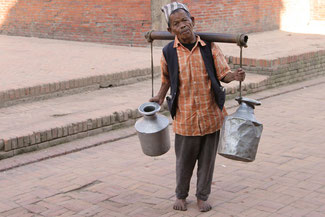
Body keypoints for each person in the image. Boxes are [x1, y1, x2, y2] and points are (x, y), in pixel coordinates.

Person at [150, 2, 246, 212]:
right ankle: (181, 195)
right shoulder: (168, 52)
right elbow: (167, 79)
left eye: (185, 20)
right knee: (184, 161)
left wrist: (234, 76)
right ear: (170, 30)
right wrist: (159, 96)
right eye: (176, 23)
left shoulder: (209, 47)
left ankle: (202, 196)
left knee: (207, 160)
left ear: (192, 22)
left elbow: (223, 74)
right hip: (185, 118)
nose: (182, 25)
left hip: (211, 114)